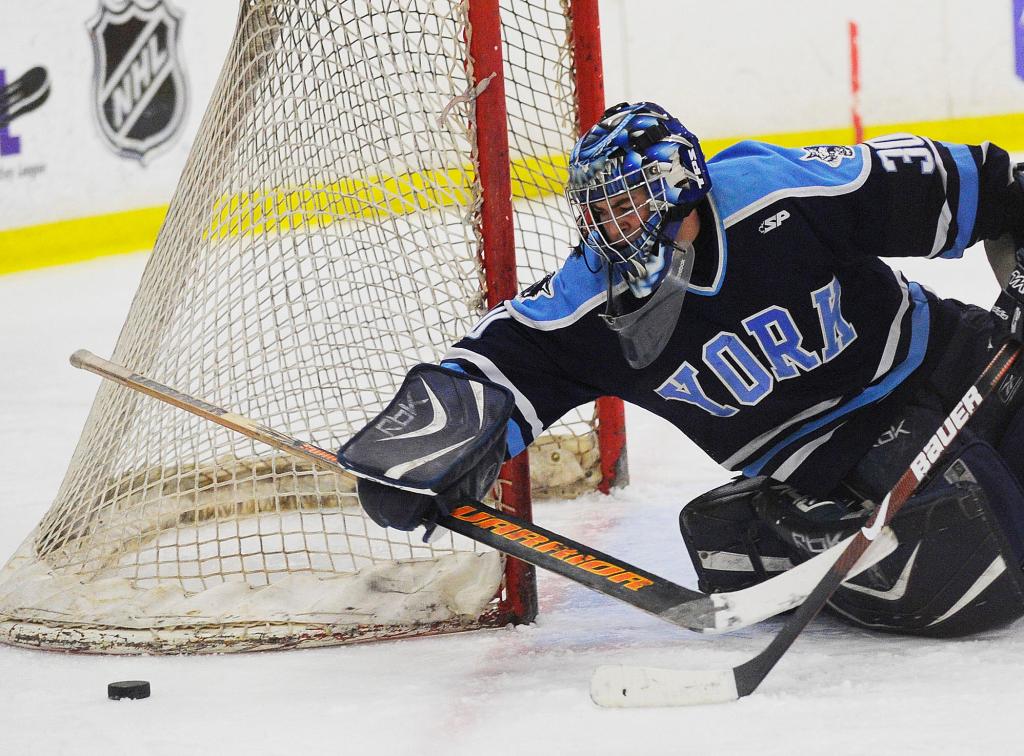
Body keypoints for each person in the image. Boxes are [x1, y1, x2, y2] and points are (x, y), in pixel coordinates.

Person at [339, 101, 1024, 638]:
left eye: (627, 201)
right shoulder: (595, 301)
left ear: (678, 183)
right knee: (976, 549)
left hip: (961, 358)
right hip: (843, 456)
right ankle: (764, 534)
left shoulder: (773, 192)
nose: (611, 227)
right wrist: (421, 459)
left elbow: (975, 184)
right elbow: (499, 363)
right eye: (599, 211)